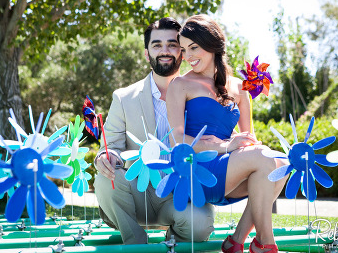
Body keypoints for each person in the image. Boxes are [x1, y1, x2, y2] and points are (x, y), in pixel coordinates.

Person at [166, 14, 289, 253]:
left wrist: (236, 143)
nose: (188, 56)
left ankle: (236, 241)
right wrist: (223, 147)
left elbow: (249, 138)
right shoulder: (179, 84)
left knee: (280, 163)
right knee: (265, 158)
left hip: (230, 172)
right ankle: (265, 242)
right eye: (183, 50)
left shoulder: (240, 87)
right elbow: (177, 141)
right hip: (197, 170)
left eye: (194, 48)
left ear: (212, 45)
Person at [94, 17, 215, 244]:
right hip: (137, 192)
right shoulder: (123, 97)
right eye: (157, 45)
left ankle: (172, 240)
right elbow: (112, 147)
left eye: (172, 44)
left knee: (200, 226)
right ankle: (135, 243)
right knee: (104, 180)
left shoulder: (203, 96)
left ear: (183, 51)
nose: (165, 51)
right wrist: (106, 156)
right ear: (147, 52)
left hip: (181, 193)